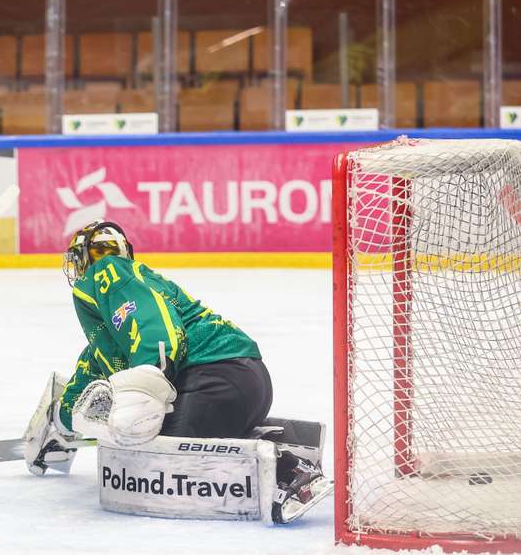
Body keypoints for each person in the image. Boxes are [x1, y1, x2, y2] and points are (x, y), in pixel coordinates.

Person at [25, 220, 330, 523]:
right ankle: (273, 442)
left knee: (155, 454)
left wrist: (149, 374)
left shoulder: (108, 273)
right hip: (240, 380)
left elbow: (152, 324)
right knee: (151, 434)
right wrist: (61, 424)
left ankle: (289, 472)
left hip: (215, 378)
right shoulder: (114, 332)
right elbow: (87, 378)